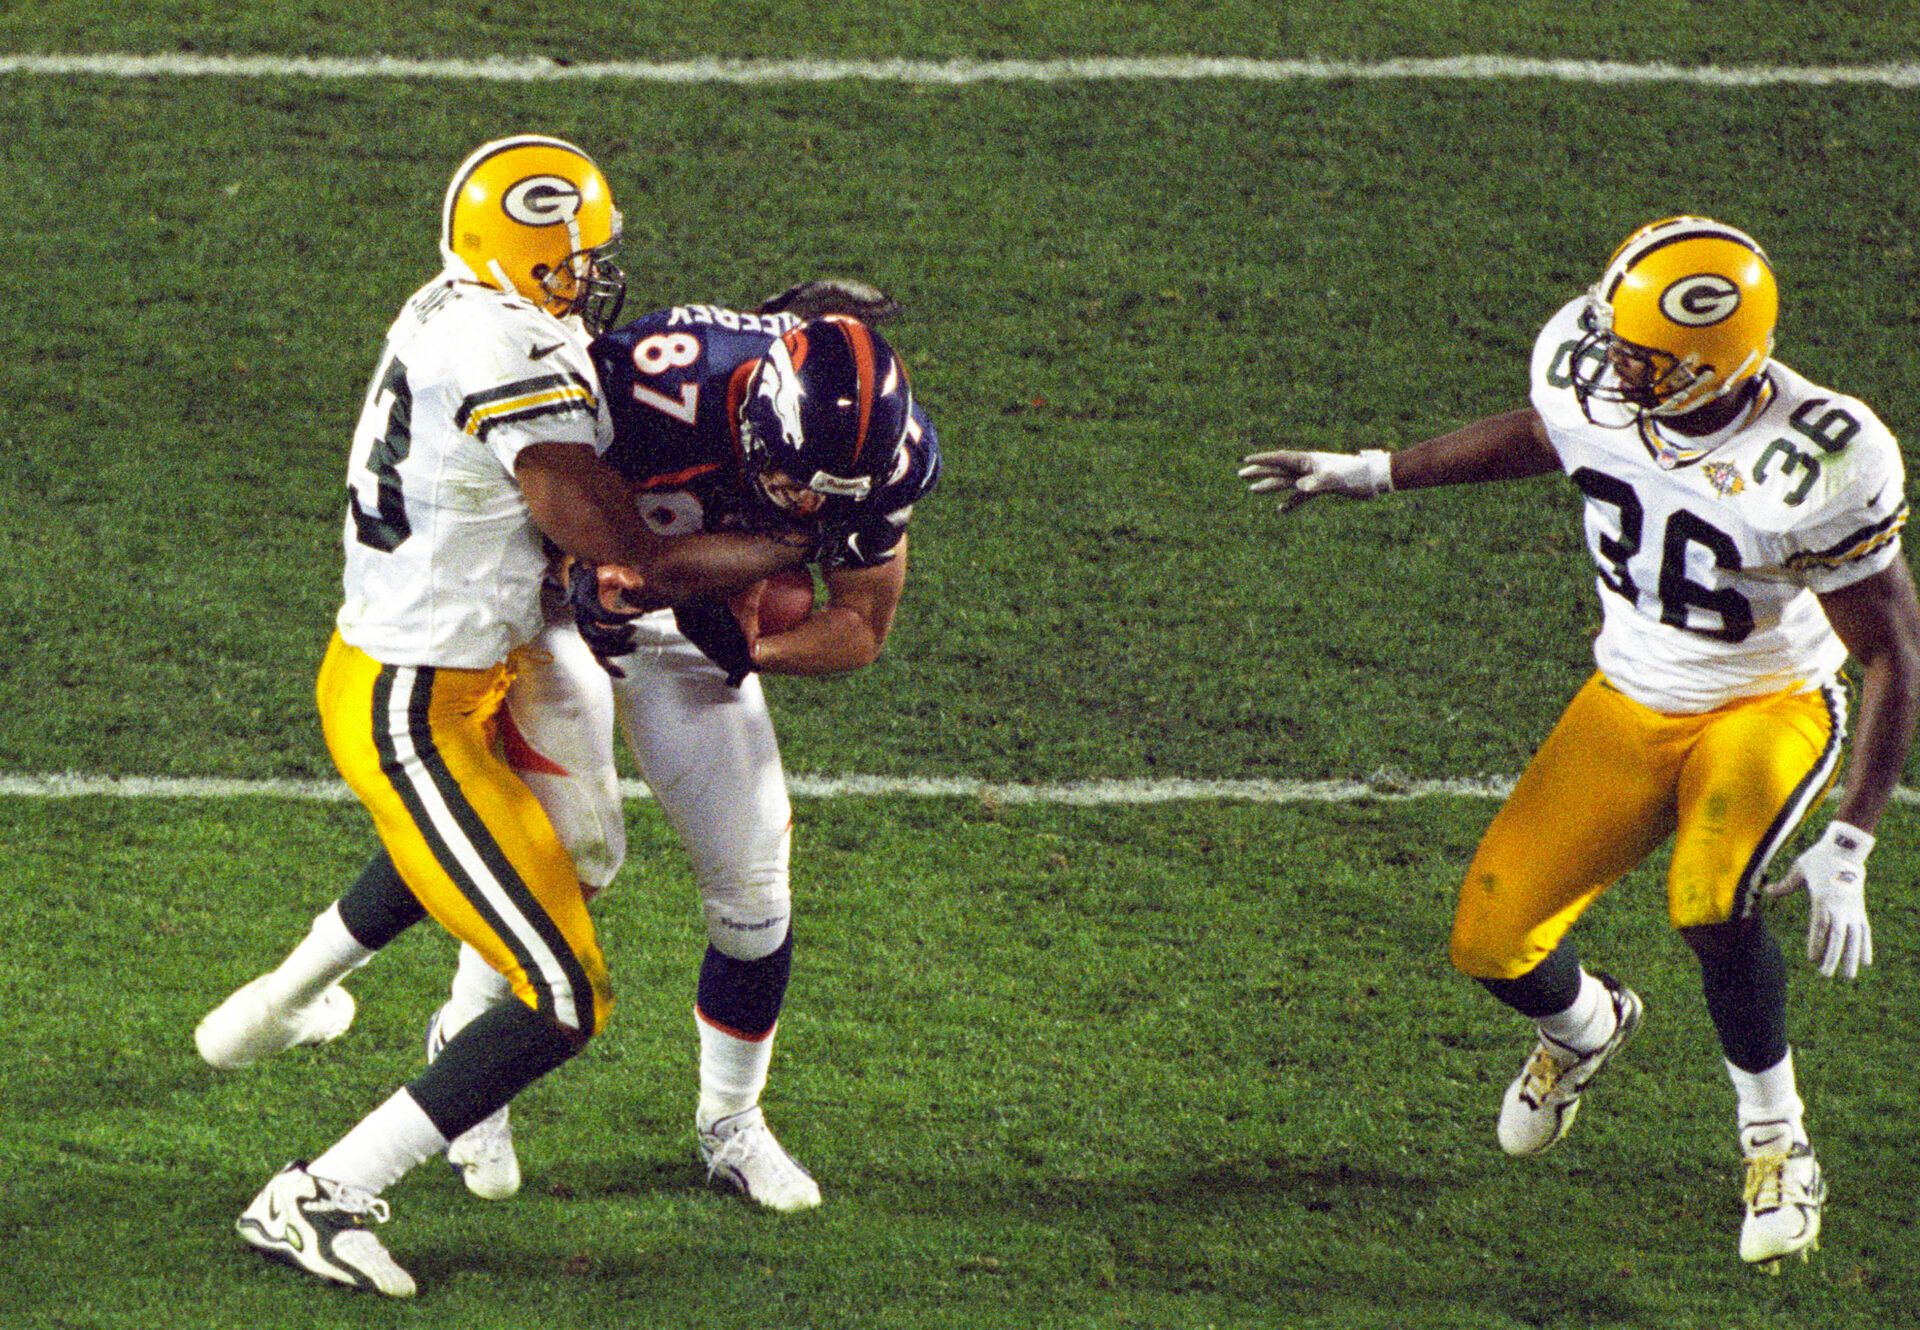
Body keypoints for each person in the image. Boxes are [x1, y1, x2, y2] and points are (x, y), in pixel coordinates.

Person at [193, 136, 815, 1298]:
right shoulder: (505, 342)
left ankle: (280, 1003)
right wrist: (788, 540)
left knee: (564, 852)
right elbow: (617, 547)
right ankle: (318, 1193)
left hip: (468, 665)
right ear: (521, 260)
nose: (589, 280)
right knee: (564, 990)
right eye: (572, 262)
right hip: (414, 708)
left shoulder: (459, 305)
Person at [1239, 215, 1918, 1269]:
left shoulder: (1816, 460)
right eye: (1613, 338)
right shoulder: (1600, 379)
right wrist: (1374, 471)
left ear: (1711, 366)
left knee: (1708, 896)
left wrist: (1851, 841)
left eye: (1641, 358)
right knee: (1489, 938)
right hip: (1630, 695)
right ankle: (1586, 1027)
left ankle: (1779, 1144)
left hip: (1767, 705)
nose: (1609, 365)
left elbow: (1893, 655)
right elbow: (1549, 434)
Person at [425, 286, 940, 1212]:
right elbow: (501, 483)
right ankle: (467, 1052)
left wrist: (753, 649)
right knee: (566, 855)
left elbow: (861, 624)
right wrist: (579, 572)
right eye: (791, 485)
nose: (804, 506)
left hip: (682, 620)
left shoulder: (880, 464)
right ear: (754, 417)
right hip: (548, 601)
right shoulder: (651, 382)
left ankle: (730, 1122)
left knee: (754, 891)